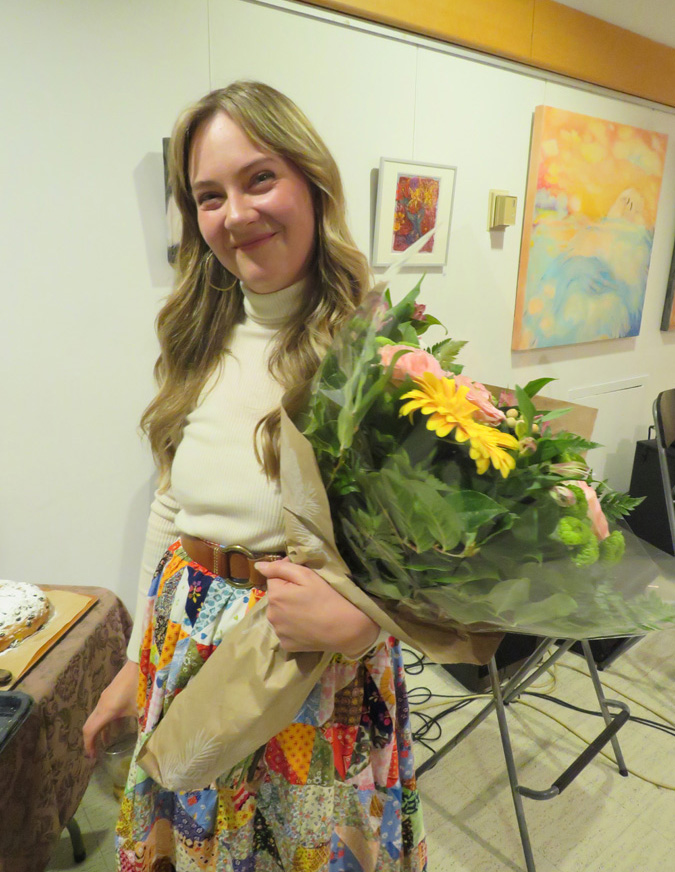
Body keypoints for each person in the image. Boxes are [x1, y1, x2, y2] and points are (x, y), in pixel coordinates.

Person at [83, 80, 427, 872]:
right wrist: (135, 662)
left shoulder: (375, 348)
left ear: (311, 180)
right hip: (186, 648)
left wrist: (365, 622)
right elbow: (172, 504)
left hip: (308, 673)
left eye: (259, 179)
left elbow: (428, 553)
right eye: (209, 196)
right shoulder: (196, 337)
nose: (235, 214)